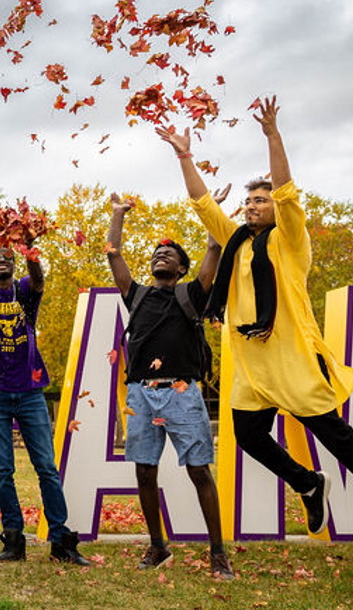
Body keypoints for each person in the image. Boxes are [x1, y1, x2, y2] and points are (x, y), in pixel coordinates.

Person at [157, 96, 353, 552]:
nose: (253, 206)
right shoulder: (236, 241)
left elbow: (286, 191)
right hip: (254, 367)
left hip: (295, 362)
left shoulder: (290, 242)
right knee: (248, 437)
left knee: (338, 440)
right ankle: (309, 483)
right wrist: (184, 156)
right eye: (249, 200)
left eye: (261, 200)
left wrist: (273, 136)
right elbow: (202, 204)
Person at [105, 192, 234, 579]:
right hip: (142, 394)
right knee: (145, 472)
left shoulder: (192, 294)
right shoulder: (138, 295)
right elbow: (114, 255)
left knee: (199, 471)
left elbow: (215, 245)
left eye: (170, 254)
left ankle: (218, 552)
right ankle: (158, 546)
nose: (162, 256)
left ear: (181, 268)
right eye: (157, 254)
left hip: (182, 393)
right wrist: (117, 214)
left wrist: (210, 207)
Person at [0, 239, 90, 566]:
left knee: (47, 467)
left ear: (15, 263)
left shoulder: (23, 290)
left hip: (31, 390)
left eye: (8, 257)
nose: (2, 261)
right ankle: (14, 538)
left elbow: (38, 280)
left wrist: (30, 247)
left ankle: (61, 539)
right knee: (2, 469)